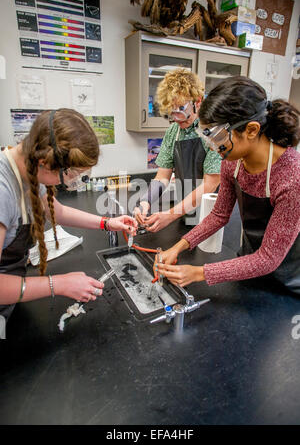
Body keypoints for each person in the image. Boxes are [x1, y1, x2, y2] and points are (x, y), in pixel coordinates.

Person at [155, 76, 300, 293]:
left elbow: (269, 258)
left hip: (287, 280)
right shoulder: (233, 163)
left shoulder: (292, 177)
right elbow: (219, 215)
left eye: (218, 137)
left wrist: (198, 273)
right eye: (208, 138)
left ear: (251, 130)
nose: (214, 148)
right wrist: (179, 246)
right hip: (247, 265)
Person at [0, 109, 137, 320]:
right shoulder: (3, 190)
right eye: (72, 174)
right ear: (44, 163)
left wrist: (108, 223)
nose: (73, 181)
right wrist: (59, 284)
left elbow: (59, 212)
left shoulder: (28, 169)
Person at [134, 68, 222, 232]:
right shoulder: (173, 132)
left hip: (214, 215)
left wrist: (170, 214)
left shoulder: (213, 130)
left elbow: (210, 184)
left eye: (181, 109)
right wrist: (145, 201)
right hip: (186, 212)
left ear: (198, 101)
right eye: (171, 111)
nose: (176, 117)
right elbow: (162, 177)